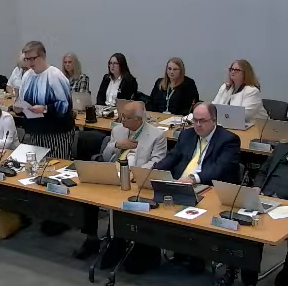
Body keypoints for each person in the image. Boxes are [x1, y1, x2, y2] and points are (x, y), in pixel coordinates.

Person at [154, 102, 241, 274]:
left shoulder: (228, 140)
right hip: (182, 184)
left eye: (203, 121)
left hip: (210, 188)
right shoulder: (187, 135)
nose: (198, 125)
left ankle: (195, 255)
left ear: (214, 121)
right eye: (195, 120)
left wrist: (194, 178)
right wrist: (151, 172)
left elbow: (220, 168)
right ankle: (175, 249)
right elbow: (172, 157)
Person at [75, 102, 167, 261]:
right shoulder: (118, 130)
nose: (122, 119)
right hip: (112, 174)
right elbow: (105, 155)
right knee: (87, 196)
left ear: (139, 119)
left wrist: (135, 173)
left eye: (126, 117)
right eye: (122, 115)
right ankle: (91, 239)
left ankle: (119, 241)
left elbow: (157, 162)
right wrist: (117, 144)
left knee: (121, 202)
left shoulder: (157, 135)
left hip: (135, 179)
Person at [212, 143, 288, 286]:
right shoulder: (282, 148)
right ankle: (237, 271)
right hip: (265, 198)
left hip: (286, 205)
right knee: (237, 225)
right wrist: (257, 187)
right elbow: (263, 172)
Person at [14, 41, 75, 159]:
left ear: (42, 56)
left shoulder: (55, 76)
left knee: (55, 169)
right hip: (34, 131)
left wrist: (45, 108)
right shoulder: (27, 76)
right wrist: (19, 109)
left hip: (56, 133)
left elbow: (66, 105)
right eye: (26, 59)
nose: (29, 63)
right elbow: (23, 100)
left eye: (32, 58)